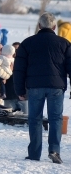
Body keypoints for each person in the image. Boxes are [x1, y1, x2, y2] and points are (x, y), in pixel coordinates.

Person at [13, 12, 71, 164]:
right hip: (56, 86)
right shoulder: (64, 44)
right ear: (54, 27)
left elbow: (19, 69)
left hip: (35, 87)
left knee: (35, 119)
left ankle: (34, 153)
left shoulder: (27, 43)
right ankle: (54, 151)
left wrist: (19, 90)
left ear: (39, 26)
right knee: (56, 119)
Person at [3, 42, 27, 114]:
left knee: (25, 118)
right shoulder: (5, 61)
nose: (15, 52)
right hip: (9, 95)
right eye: (14, 50)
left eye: (17, 49)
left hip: (23, 95)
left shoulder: (25, 61)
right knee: (7, 118)